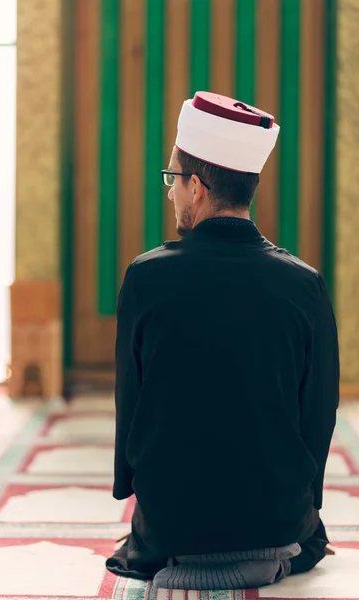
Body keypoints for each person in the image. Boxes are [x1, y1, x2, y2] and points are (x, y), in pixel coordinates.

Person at [106, 92, 340, 590]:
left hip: (172, 525)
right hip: (275, 520)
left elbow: (132, 401)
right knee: (309, 534)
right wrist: (306, 500)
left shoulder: (146, 277)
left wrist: (129, 486)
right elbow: (318, 412)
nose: (168, 191)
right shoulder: (305, 283)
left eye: (172, 179)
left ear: (195, 188)